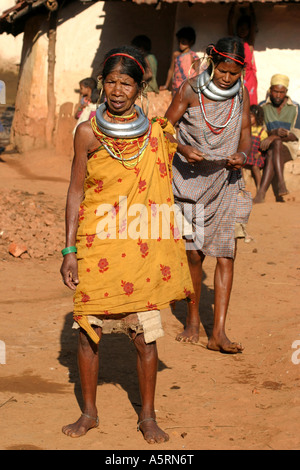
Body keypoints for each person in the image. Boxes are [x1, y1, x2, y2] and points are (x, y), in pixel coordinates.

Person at [60, 45, 193, 443]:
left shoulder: (153, 133)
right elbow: (74, 192)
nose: (118, 90)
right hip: (97, 242)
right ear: (102, 84)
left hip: (140, 243)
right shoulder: (87, 131)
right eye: (112, 81)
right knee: (87, 331)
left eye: (127, 83)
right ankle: (88, 413)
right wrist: (69, 250)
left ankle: (147, 416)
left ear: (140, 88)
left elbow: (177, 136)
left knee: (145, 334)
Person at [165, 36, 252, 353]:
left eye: (234, 73)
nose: (227, 78)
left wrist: (242, 155)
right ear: (213, 63)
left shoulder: (240, 94)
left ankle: (218, 333)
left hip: (227, 182)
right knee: (194, 255)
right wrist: (183, 147)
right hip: (190, 182)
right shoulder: (189, 89)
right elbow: (163, 127)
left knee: (226, 255)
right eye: (223, 71)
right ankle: (191, 320)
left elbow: (245, 134)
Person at [254, 74, 300, 203]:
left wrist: (274, 136)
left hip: (289, 147)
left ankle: (261, 193)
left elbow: (295, 135)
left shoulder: (295, 108)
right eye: (275, 91)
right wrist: (273, 134)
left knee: (276, 144)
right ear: (270, 90)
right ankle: (281, 184)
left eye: (281, 92)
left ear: (286, 92)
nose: (278, 95)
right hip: (266, 146)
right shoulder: (263, 107)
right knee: (275, 145)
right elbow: (259, 131)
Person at [228, 3, 258, 105]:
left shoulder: (249, 44)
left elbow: (253, 26)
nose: (243, 30)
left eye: (246, 29)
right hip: (236, 74)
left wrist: (251, 9)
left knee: (248, 103)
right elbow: (229, 23)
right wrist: (232, 7)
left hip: (249, 78)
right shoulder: (234, 42)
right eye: (241, 27)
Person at [160, 26, 198, 95]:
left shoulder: (193, 56)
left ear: (191, 42)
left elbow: (197, 73)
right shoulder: (176, 55)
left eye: (183, 42)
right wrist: (166, 85)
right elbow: (171, 70)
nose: (180, 44)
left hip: (188, 88)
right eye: (179, 41)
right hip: (176, 87)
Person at [244, 104, 269, 190]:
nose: (249, 119)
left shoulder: (261, 131)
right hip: (247, 154)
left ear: (257, 117)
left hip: (256, 155)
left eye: (251, 117)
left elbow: (264, 146)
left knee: (255, 167)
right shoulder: (246, 129)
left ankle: (260, 187)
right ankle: (241, 185)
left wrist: (259, 153)